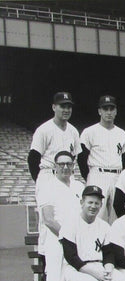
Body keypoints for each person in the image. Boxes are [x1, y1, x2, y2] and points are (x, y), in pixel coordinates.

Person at [37, 151, 84, 281]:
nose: (65, 167)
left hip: (75, 242)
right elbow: (48, 219)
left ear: (73, 165)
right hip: (56, 242)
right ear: (54, 166)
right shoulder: (47, 187)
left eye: (68, 163)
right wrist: (66, 238)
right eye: (61, 164)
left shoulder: (79, 186)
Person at [28, 92, 81, 256]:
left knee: (68, 214)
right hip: (48, 173)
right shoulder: (44, 129)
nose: (66, 109)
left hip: (66, 174)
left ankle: (71, 250)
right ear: (54, 107)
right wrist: (43, 181)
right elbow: (33, 159)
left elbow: (76, 156)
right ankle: (44, 257)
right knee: (47, 220)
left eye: (68, 106)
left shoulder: (73, 131)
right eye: (62, 106)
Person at [78, 95, 125, 223]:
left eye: (111, 109)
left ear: (116, 111)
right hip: (97, 174)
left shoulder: (122, 134)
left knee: (117, 217)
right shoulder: (89, 132)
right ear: (100, 111)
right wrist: (89, 176)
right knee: (96, 214)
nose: (109, 112)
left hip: (117, 175)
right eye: (105, 109)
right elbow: (81, 158)